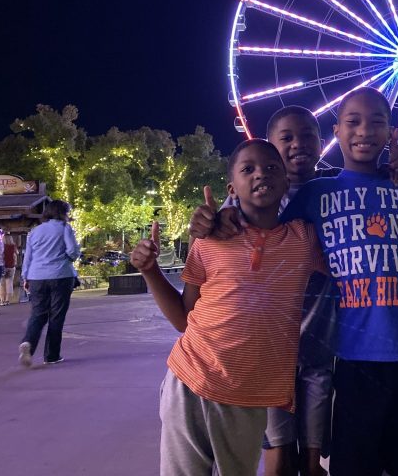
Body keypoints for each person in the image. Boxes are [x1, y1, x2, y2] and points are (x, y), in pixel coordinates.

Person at [189, 105, 398, 476]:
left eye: (308, 136)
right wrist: (211, 218)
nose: (299, 145)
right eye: (287, 138)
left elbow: (372, 199)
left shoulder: (334, 187)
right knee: (278, 450)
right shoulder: (247, 202)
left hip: (319, 341)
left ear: (322, 138)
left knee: (313, 455)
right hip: (266, 348)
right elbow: (218, 238)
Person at [279, 87, 398, 476]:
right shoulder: (314, 195)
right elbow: (261, 234)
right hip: (350, 363)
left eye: (377, 122)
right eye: (353, 122)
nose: (365, 131)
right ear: (337, 130)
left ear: (392, 132)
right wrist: (221, 217)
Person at [131, 139, 328, 476]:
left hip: (250, 398)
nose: (260, 175)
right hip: (189, 381)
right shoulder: (209, 240)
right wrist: (150, 270)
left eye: (270, 168)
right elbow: (183, 317)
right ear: (231, 188)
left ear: (285, 182)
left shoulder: (304, 239)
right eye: (247, 169)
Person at [18, 200, 80, 367]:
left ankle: (28, 344)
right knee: (56, 316)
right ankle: (52, 355)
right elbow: (73, 251)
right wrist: (68, 257)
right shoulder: (64, 228)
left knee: (38, 314)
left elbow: (28, 257)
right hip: (60, 275)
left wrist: (26, 277)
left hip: (36, 276)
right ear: (62, 212)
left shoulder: (35, 231)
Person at [0, 233, 18, 306]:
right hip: (11, 267)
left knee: (1, 284)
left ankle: (2, 300)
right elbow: (17, 253)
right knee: (9, 283)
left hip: (2, 267)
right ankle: (7, 300)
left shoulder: (1, 246)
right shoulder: (13, 246)